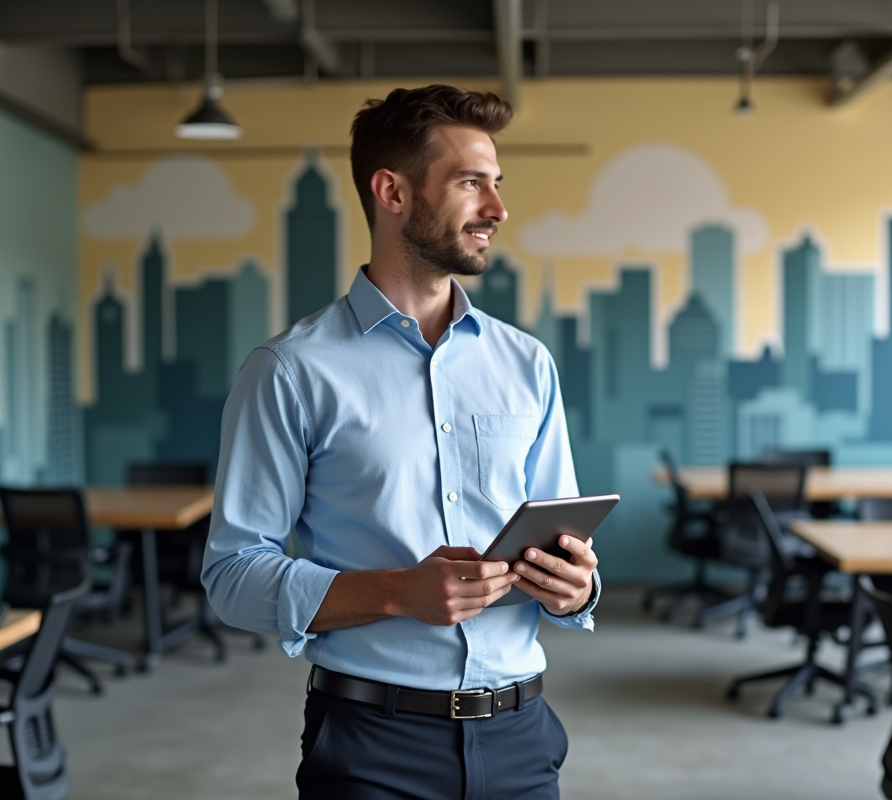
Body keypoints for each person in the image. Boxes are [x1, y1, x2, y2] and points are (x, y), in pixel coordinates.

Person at [202, 83, 600, 799]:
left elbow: (562, 542)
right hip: (370, 747)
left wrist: (576, 589)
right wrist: (395, 593)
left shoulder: (526, 363)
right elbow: (233, 576)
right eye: (470, 183)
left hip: (523, 737)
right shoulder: (291, 371)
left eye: (497, 184)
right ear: (392, 192)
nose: (497, 210)